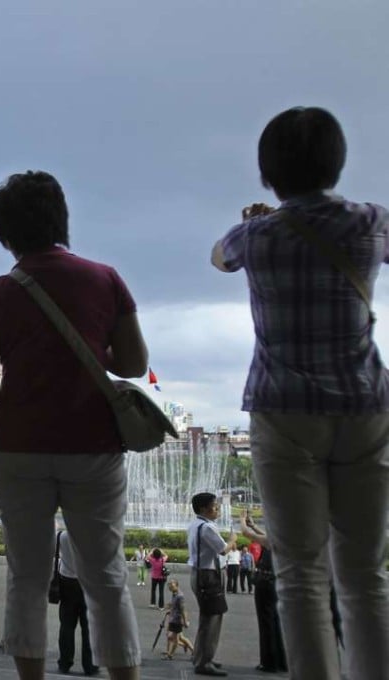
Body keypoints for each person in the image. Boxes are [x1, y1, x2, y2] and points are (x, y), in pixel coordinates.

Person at [212, 106, 389, 679]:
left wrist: (258, 219)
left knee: (300, 575)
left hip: (282, 408)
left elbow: (219, 256)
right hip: (365, 405)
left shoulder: (256, 234)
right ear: (337, 164)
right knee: (365, 576)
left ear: (268, 174)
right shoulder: (370, 221)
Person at [0, 171, 148, 680]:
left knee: (26, 577)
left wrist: (21, 400)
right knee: (107, 577)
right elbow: (134, 363)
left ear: (4, 233)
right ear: (61, 219)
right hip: (94, 446)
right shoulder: (106, 279)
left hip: (19, 449)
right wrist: (93, 351)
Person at [187, 492, 238, 676]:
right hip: (209, 576)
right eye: (214, 506)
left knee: (206, 618)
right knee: (212, 619)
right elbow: (223, 550)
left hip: (200, 574)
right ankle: (204, 662)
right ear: (203, 509)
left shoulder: (196, 524)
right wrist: (232, 540)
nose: (217, 509)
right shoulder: (207, 527)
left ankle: (200, 656)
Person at [239, 510, 287, 673]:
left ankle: (269, 662)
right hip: (277, 582)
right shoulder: (286, 537)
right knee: (277, 622)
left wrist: (242, 521)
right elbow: (266, 536)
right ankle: (282, 661)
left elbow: (246, 533)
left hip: (265, 584)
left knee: (266, 622)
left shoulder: (274, 539)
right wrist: (254, 525)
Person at [55, 530, 98, 676]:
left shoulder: (61, 535)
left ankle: (65, 662)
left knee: (66, 625)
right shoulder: (91, 533)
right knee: (89, 627)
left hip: (67, 583)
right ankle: (89, 665)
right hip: (88, 583)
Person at [162, 579, 194, 660]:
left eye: (171, 585)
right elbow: (175, 606)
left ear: (176, 585)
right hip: (173, 618)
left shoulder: (180, 596)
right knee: (177, 638)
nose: (170, 587)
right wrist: (170, 608)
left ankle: (170, 655)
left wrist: (185, 621)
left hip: (177, 620)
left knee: (175, 638)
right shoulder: (174, 594)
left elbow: (182, 609)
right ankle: (192, 651)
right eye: (169, 586)